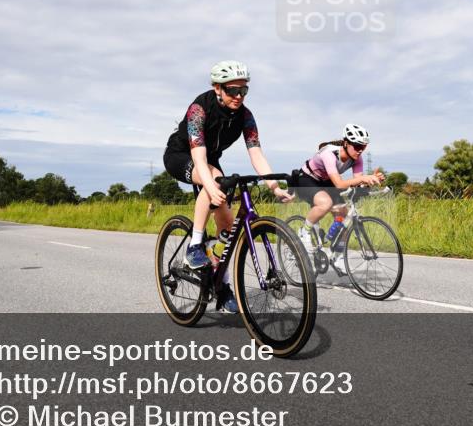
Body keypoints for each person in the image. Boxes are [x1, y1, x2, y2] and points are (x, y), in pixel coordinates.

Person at [163, 60, 293, 312]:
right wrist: (209, 185)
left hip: (210, 160)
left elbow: (256, 155)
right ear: (217, 88)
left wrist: (274, 187)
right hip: (181, 155)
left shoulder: (246, 116)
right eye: (233, 90)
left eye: (243, 91)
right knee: (214, 181)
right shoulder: (199, 109)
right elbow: (199, 157)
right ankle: (195, 246)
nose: (238, 96)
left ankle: (221, 287)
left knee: (227, 225)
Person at [295, 124, 384, 275]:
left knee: (345, 215)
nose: (360, 150)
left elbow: (358, 181)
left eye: (363, 146)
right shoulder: (329, 154)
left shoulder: (357, 158)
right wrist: (363, 178)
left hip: (326, 181)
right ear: (346, 143)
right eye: (357, 146)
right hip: (307, 178)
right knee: (325, 203)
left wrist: (372, 179)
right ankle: (305, 231)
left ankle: (337, 257)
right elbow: (339, 184)